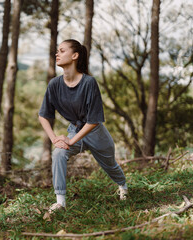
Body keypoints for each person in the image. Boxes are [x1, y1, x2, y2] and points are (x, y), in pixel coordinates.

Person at [38, 39, 128, 213]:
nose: (57, 54)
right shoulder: (54, 84)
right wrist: (55, 139)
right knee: (59, 153)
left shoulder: (89, 83)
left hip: (96, 133)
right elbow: (43, 115)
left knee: (110, 165)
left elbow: (94, 121)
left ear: (74, 55)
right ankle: (60, 202)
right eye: (57, 51)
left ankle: (123, 186)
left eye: (62, 51)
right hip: (75, 130)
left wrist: (71, 142)